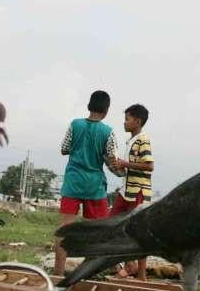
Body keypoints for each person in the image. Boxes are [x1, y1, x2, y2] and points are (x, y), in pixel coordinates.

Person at [54, 90, 119, 276]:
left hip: (72, 182)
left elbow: (64, 149)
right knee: (97, 231)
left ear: (89, 106)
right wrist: (123, 171)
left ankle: (58, 272)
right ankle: (88, 273)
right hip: (94, 186)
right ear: (106, 110)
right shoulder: (108, 132)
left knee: (64, 229)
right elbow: (112, 161)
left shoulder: (75, 125)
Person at [109, 104, 153, 281]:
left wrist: (125, 164)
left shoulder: (143, 140)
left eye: (127, 119)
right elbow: (129, 169)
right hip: (126, 190)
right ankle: (129, 265)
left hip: (138, 192)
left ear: (137, 121)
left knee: (139, 233)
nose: (124, 122)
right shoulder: (131, 141)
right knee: (111, 225)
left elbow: (149, 166)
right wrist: (118, 165)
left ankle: (141, 276)